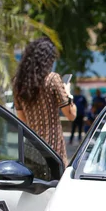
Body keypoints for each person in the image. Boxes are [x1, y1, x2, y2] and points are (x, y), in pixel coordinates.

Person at [12, 37, 76, 167]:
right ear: (47, 59)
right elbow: (71, 115)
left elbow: (22, 120)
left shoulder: (18, 84)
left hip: (31, 149)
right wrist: (68, 94)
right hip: (53, 149)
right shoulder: (53, 79)